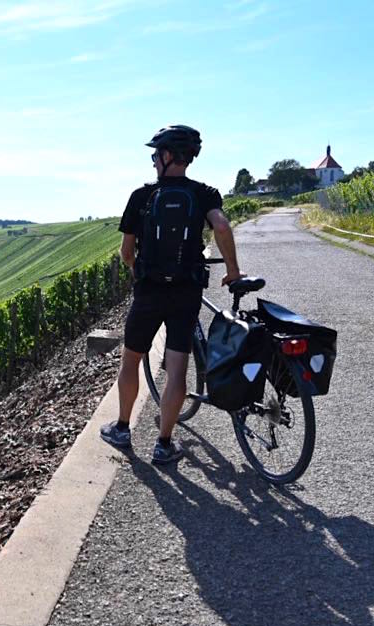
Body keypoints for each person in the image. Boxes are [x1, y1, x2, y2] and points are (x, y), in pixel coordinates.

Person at [100, 125, 244, 464]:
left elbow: (126, 251)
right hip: (186, 290)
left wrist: (138, 271)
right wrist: (233, 271)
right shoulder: (205, 193)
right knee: (178, 368)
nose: (153, 162)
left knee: (131, 359)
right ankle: (164, 444)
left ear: (167, 157)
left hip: (149, 290)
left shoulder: (142, 195)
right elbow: (222, 226)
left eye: (155, 155)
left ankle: (122, 428)